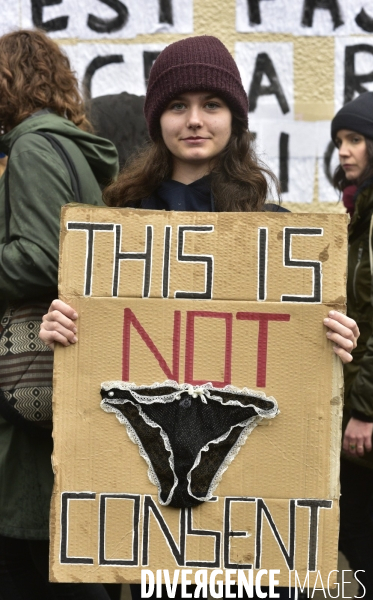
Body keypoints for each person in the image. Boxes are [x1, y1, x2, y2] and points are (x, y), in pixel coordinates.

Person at [40, 36, 359, 599]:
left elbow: (300, 372)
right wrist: (63, 328)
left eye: (211, 105)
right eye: (177, 105)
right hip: (151, 534)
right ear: (156, 118)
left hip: (250, 534)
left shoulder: (276, 231)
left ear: (233, 119)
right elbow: (97, 355)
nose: (194, 120)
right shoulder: (116, 229)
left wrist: (332, 338)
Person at [0, 30, 119, 600]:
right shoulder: (72, 148)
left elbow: (44, 257)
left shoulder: (31, 148)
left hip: (31, 365)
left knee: (37, 559)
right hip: (60, 359)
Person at [331, 89, 373, 599]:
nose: (344, 152)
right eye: (338, 141)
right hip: (366, 405)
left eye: (355, 139)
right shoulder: (364, 209)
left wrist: (361, 411)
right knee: (348, 524)